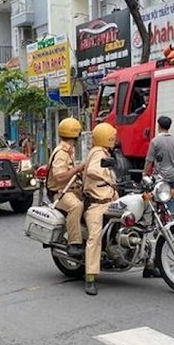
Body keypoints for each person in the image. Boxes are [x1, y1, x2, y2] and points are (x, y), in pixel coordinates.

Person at [82, 122, 119, 296]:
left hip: (110, 201)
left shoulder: (105, 153)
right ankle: (90, 277)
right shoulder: (98, 153)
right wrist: (109, 181)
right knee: (94, 237)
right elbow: (91, 171)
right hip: (97, 203)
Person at [47, 117, 85, 257]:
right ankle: (74, 243)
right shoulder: (62, 153)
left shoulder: (69, 150)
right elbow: (59, 177)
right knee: (76, 206)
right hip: (60, 193)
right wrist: (77, 169)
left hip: (71, 189)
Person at [143, 116, 174, 216]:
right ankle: (170, 217)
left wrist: (144, 174)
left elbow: (149, 160)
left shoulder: (155, 141)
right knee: (170, 197)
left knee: (157, 197)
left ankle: (158, 219)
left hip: (160, 176)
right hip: (173, 176)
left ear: (159, 126)